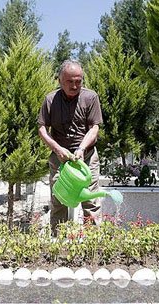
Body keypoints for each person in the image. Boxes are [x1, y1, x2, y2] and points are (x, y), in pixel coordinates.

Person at [38, 60, 103, 235]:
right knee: (59, 199)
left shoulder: (90, 97)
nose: (75, 86)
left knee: (90, 200)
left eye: (78, 81)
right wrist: (57, 149)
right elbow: (42, 128)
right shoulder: (50, 100)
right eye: (70, 81)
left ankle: (93, 242)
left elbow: (94, 128)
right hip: (60, 158)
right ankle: (59, 241)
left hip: (86, 157)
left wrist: (81, 148)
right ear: (60, 80)